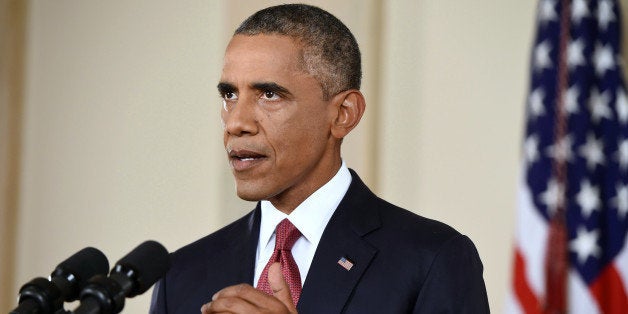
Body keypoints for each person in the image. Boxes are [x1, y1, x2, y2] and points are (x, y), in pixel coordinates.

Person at [149, 4, 489, 314]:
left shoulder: (432, 259)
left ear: (343, 114)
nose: (237, 122)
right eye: (230, 94)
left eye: (269, 94)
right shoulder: (180, 274)